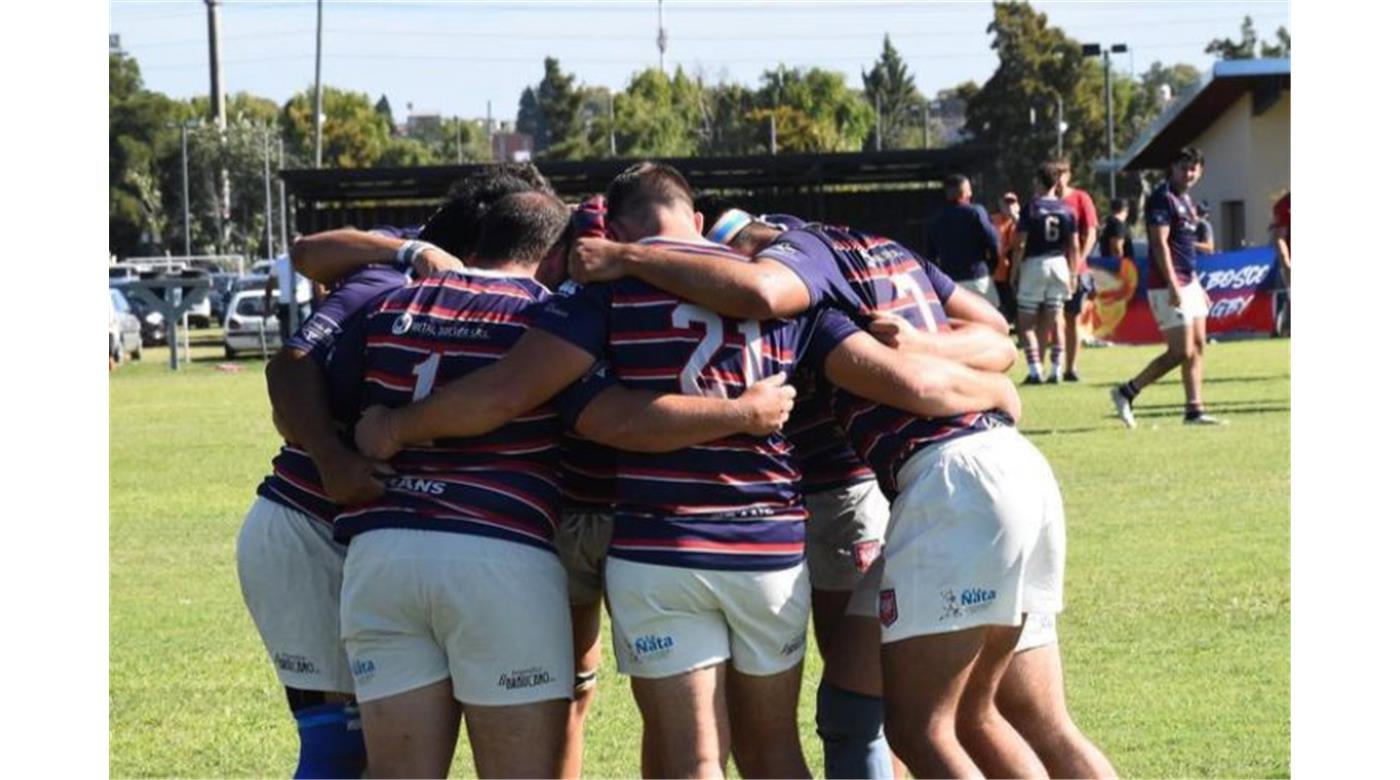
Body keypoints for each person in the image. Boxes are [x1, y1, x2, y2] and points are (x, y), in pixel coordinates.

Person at [354, 162, 1019, 778]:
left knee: (691, 758)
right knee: (773, 748)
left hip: (658, 551)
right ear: (695, 220)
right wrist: (990, 389)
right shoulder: (782, 294)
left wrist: (390, 427)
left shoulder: (605, 294)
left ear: (613, 227)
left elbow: (586, 415)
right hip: (768, 552)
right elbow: (902, 378)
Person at [567, 192, 1103, 779]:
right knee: (965, 710)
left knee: (923, 727)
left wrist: (630, 257)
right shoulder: (884, 252)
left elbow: (778, 302)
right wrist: (973, 375)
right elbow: (998, 337)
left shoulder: (810, 289)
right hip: (1002, 473)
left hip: (950, 484)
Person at [331, 190, 804, 778]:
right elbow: (529, 398)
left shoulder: (390, 304)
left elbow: (314, 386)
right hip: (505, 546)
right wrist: (743, 413)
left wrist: (368, 440)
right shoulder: (545, 314)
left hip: (384, 551)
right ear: (558, 249)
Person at [1110, 146, 1224, 427]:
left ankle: (1194, 410)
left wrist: (1196, 284)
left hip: (1189, 282)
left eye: (1194, 168)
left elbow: (1184, 249)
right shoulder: (1162, 198)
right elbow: (1159, 244)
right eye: (1184, 167)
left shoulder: (1187, 200)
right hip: (1166, 284)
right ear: (1171, 168)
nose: (1190, 173)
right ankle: (1127, 391)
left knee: (1198, 346)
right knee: (1181, 351)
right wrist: (1173, 284)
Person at [1010, 162, 1080, 385]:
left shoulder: (1031, 207)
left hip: (1035, 264)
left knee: (1026, 323)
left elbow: (1020, 244)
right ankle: (1056, 369)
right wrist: (1073, 274)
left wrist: (1015, 271)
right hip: (1059, 264)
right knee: (1055, 319)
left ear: (1039, 182)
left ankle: (1035, 370)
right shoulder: (1067, 209)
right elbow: (1075, 246)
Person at [927, 174, 1006, 313]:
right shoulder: (976, 212)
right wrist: (991, 267)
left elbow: (930, 256)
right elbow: (994, 243)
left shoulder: (935, 220)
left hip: (951, 284)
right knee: (992, 324)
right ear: (966, 192)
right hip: (978, 278)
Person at [1054, 161, 1099, 382]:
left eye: (1062, 173)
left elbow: (1091, 233)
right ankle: (1052, 367)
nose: (1058, 178)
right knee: (1053, 318)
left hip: (1075, 269)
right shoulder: (1044, 201)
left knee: (1072, 318)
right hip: (1050, 268)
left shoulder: (1081, 198)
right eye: (1054, 174)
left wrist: (1079, 260)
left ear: (1069, 175)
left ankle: (1071, 368)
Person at [990, 193, 1022, 324]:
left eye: (1012, 203)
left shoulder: (1021, 222)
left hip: (1016, 271)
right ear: (1000, 204)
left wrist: (1016, 219)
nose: (1009, 206)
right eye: (1006, 203)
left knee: (1017, 306)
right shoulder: (992, 220)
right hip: (997, 272)